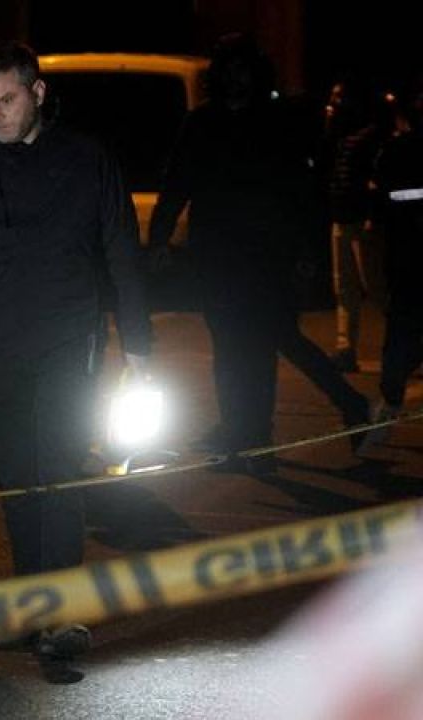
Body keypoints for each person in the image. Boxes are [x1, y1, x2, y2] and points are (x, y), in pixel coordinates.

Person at [0, 42, 152, 659]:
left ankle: (62, 614)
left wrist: (138, 341)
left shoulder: (85, 158)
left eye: (8, 100)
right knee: (18, 478)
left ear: (38, 92)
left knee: (59, 470)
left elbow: (121, 248)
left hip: (67, 340)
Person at [148, 33, 367, 468]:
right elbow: (177, 183)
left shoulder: (274, 122)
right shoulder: (203, 122)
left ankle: (258, 435)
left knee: (269, 341)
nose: (236, 78)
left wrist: (304, 250)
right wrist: (159, 238)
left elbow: (298, 190)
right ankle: (242, 432)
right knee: (233, 344)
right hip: (217, 254)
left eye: (243, 69)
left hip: (266, 254)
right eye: (230, 69)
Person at [362, 76, 423, 450]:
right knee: (401, 339)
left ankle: (388, 405)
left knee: (401, 339)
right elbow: (384, 201)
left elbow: (382, 202)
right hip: (407, 257)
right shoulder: (397, 151)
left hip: (405, 258)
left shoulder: (397, 151)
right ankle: (388, 405)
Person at [323, 74, 389, 373]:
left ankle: (407, 344)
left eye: (338, 97)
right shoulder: (341, 137)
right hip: (342, 219)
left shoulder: (369, 137)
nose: (332, 104)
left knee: (375, 287)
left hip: (363, 222)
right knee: (345, 288)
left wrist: (373, 215)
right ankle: (345, 349)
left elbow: (378, 183)